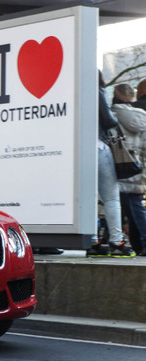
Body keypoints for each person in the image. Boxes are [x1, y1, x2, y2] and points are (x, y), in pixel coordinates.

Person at [87, 73, 135, 257]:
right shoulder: (95, 89)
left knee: (89, 197)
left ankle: (92, 241)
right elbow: (107, 120)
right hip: (99, 145)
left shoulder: (72, 89)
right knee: (111, 198)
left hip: (79, 149)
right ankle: (117, 241)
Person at [112, 83, 146, 256]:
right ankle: (140, 246)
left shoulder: (112, 115)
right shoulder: (142, 116)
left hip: (118, 170)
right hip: (136, 169)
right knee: (136, 209)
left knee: (125, 210)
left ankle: (135, 244)